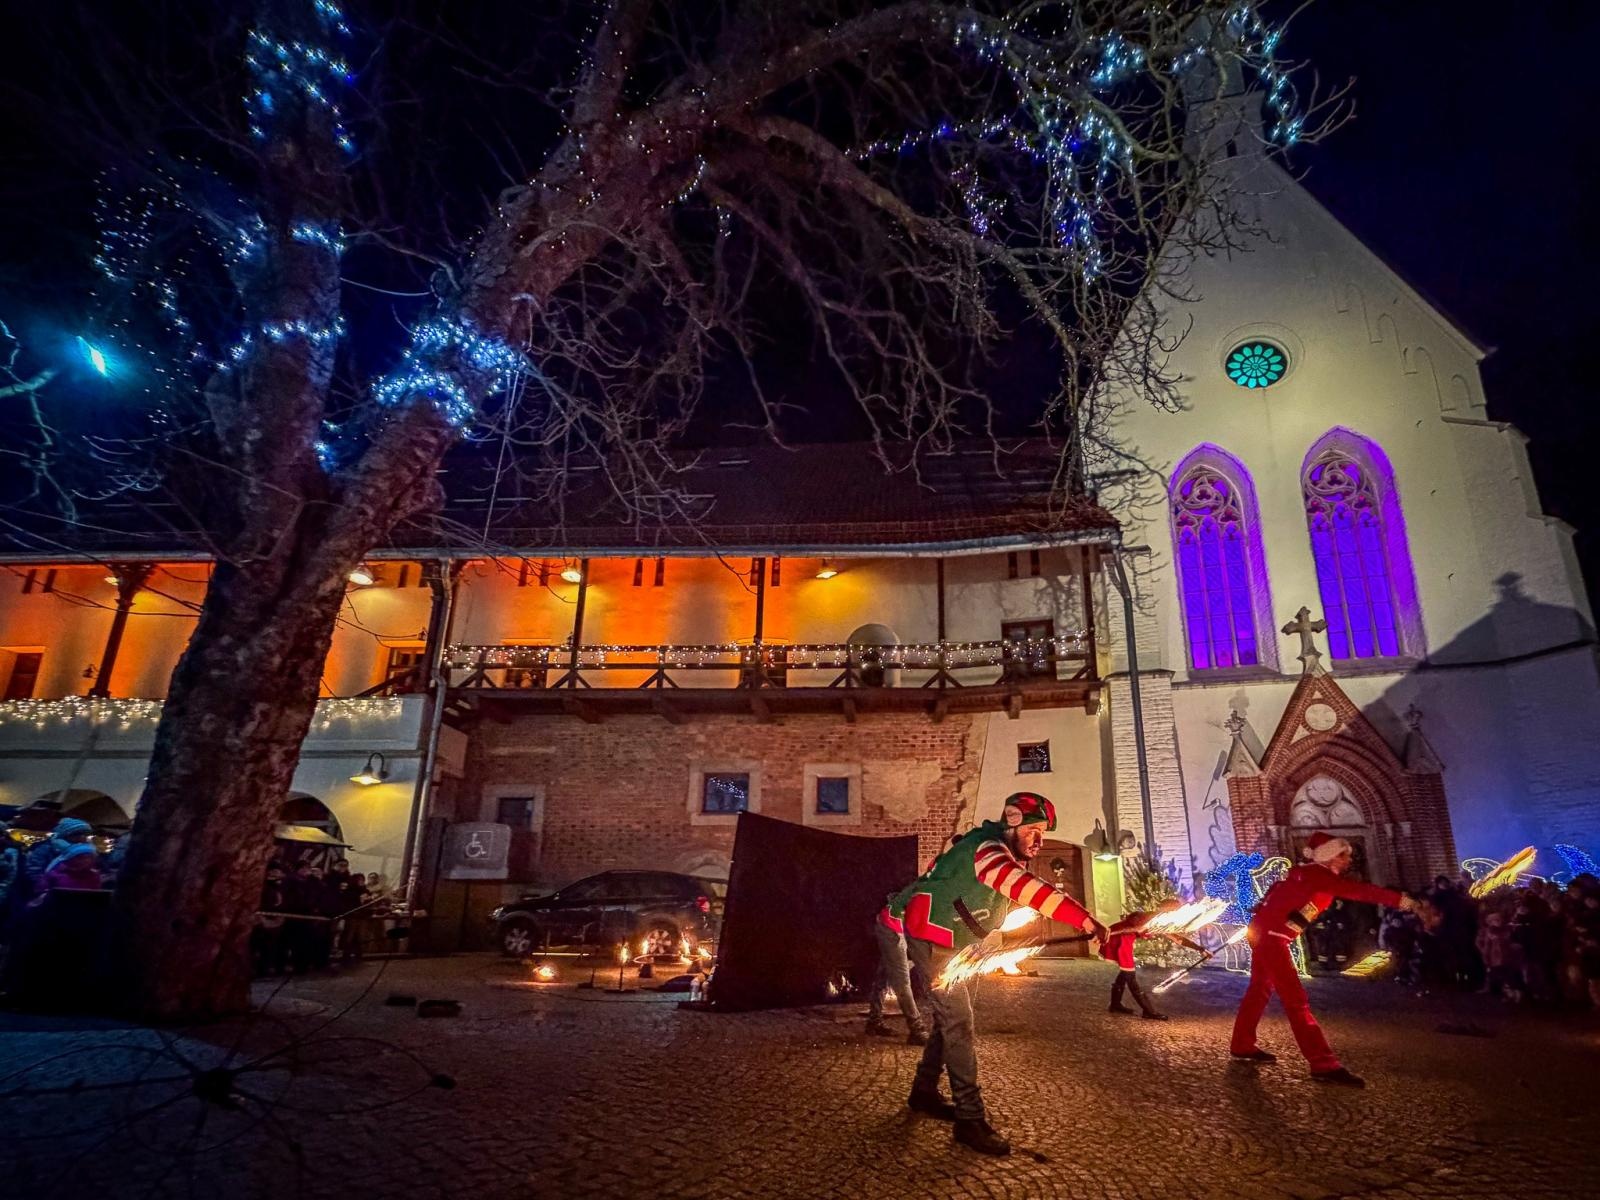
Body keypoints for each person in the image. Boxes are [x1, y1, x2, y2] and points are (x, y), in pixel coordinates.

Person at [882, 792, 1106, 1156]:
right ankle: (970, 1119)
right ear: (1011, 824)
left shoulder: (995, 849)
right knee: (959, 1023)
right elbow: (1022, 887)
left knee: (948, 1021)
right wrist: (1084, 918)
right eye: (1032, 830)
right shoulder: (988, 850)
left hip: (954, 940)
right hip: (935, 939)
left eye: (1043, 833)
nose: (1039, 840)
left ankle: (922, 1092)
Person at [1229, 830, 1427, 1087]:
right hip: (1271, 938)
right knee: (1295, 1000)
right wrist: (1403, 902)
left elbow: (1276, 892)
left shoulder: (1302, 874)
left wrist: (1267, 910)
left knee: (1259, 991)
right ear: (1329, 856)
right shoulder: (1318, 876)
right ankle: (1322, 1063)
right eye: (1343, 855)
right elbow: (1358, 891)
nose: (1347, 861)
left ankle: (1242, 1044)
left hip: (1264, 934)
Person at [1102, 899, 1202, 1020]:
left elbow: (1177, 939)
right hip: (1119, 940)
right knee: (1130, 975)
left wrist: (1201, 949)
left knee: (1125, 973)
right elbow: (1130, 929)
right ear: (1167, 910)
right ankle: (1148, 1011)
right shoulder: (1153, 919)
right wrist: (1105, 933)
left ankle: (1115, 1004)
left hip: (1123, 938)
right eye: (1176, 910)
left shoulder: (1162, 921)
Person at [864, 911, 928, 1044]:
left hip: (896, 925)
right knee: (902, 981)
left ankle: (874, 1021)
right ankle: (917, 1029)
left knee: (884, 975)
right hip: (893, 926)